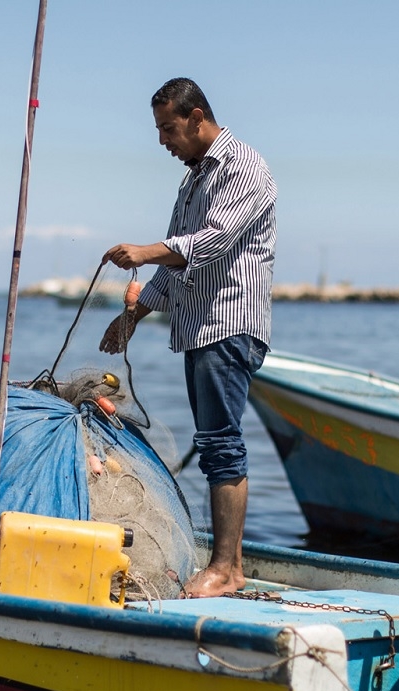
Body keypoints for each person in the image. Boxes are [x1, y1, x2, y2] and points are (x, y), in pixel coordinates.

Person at [98, 77, 276, 599]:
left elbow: (213, 242)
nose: (162, 141)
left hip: (230, 323)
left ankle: (226, 569)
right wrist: (132, 317)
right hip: (201, 327)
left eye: (168, 129)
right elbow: (179, 266)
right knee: (212, 442)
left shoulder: (243, 166)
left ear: (197, 117)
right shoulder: (193, 179)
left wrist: (146, 250)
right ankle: (231, 564)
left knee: (221, 444)